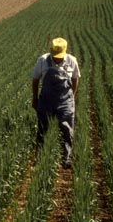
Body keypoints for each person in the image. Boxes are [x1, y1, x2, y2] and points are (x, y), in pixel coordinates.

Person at [31, 37, 80, 168]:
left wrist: (72, 97)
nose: (57, 58)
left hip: (65, 101)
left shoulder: (72, 61)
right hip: (46, 100)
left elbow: (75, 79)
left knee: (67, 129)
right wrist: (35, 98)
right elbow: (35, 80)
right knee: (42, 128)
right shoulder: (42, 60)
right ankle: (40, 157)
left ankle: (67, 158)